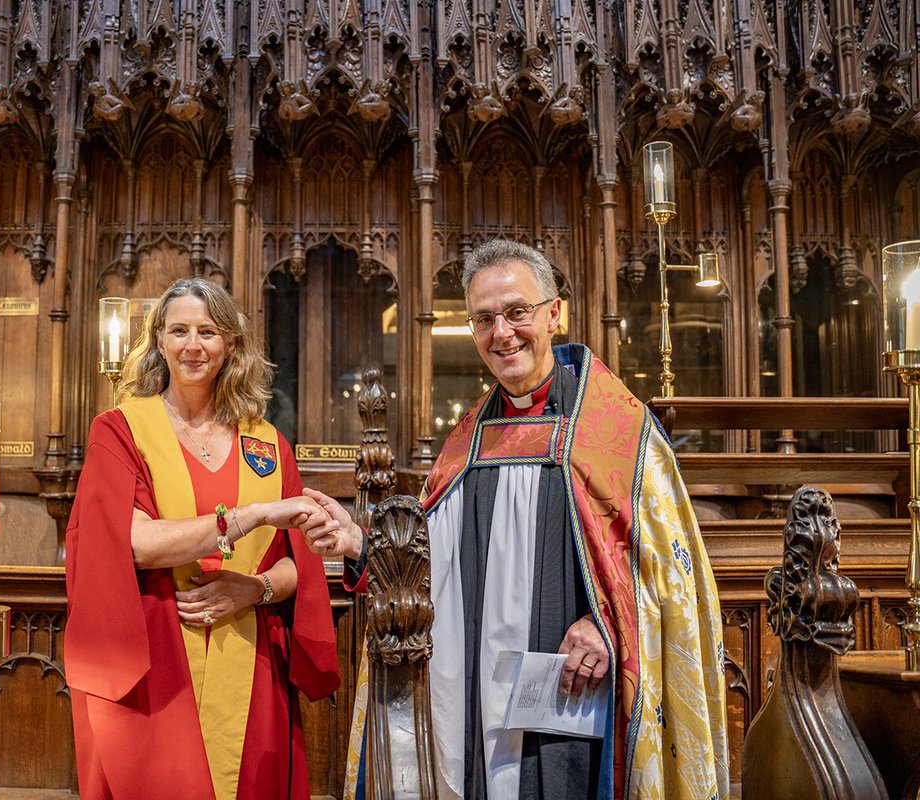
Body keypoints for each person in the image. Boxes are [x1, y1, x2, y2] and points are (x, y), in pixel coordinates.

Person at [302, 240, 728, 799]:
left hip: (576, 694)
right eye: (483, 319)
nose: (501, 333)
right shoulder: (471, 434)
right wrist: (361, 541)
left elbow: (668, 578)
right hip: (481, 694)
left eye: (517, 313)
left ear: (554, 313)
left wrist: (606, 624)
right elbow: (437, 552)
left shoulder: (620, 433)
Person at [64, 277, 340, 800]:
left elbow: (295, 567)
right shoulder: (121, 430)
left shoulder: (267, 442)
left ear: (230, 344)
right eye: (180, 331)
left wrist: (251, 589)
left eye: (208, 331)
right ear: (160, 342)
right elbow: (136, 543)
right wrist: (251, 515)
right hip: (155, 663)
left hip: (249, 658)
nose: (194, 345)